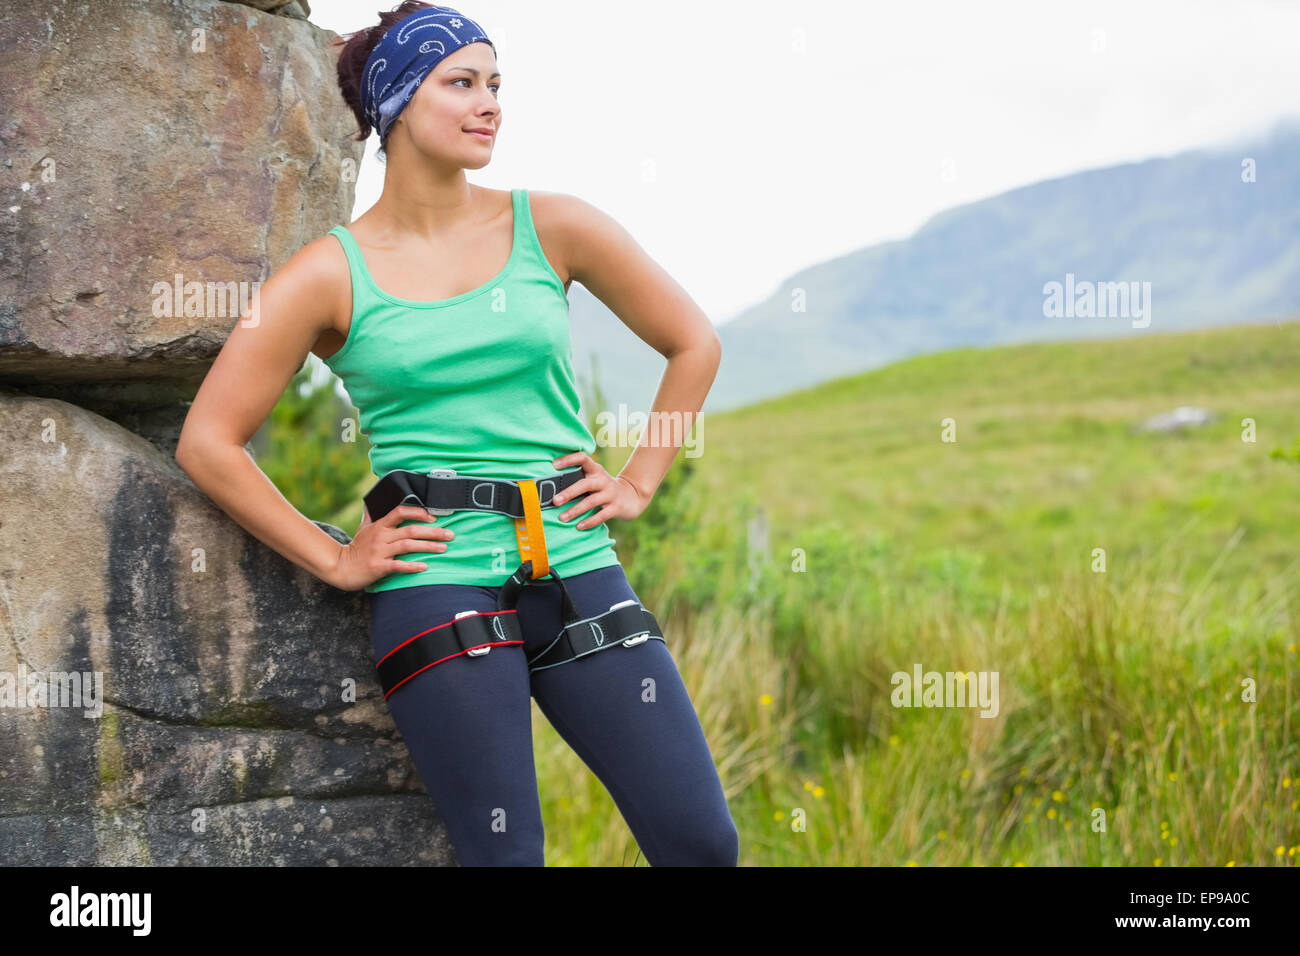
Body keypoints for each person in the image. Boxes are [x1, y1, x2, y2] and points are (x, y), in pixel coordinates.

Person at [174, 1, 736, 866]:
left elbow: (694, 342)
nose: (491, 104)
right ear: (398, 104)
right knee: (506, 859)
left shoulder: (554, 226)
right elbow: (209, 439)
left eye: (496, 84)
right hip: (438, 583)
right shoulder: (330, 271)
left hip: (576, 559)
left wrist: (638, 482)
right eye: (462, 83)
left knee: (702, 843)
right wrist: (334, 557)